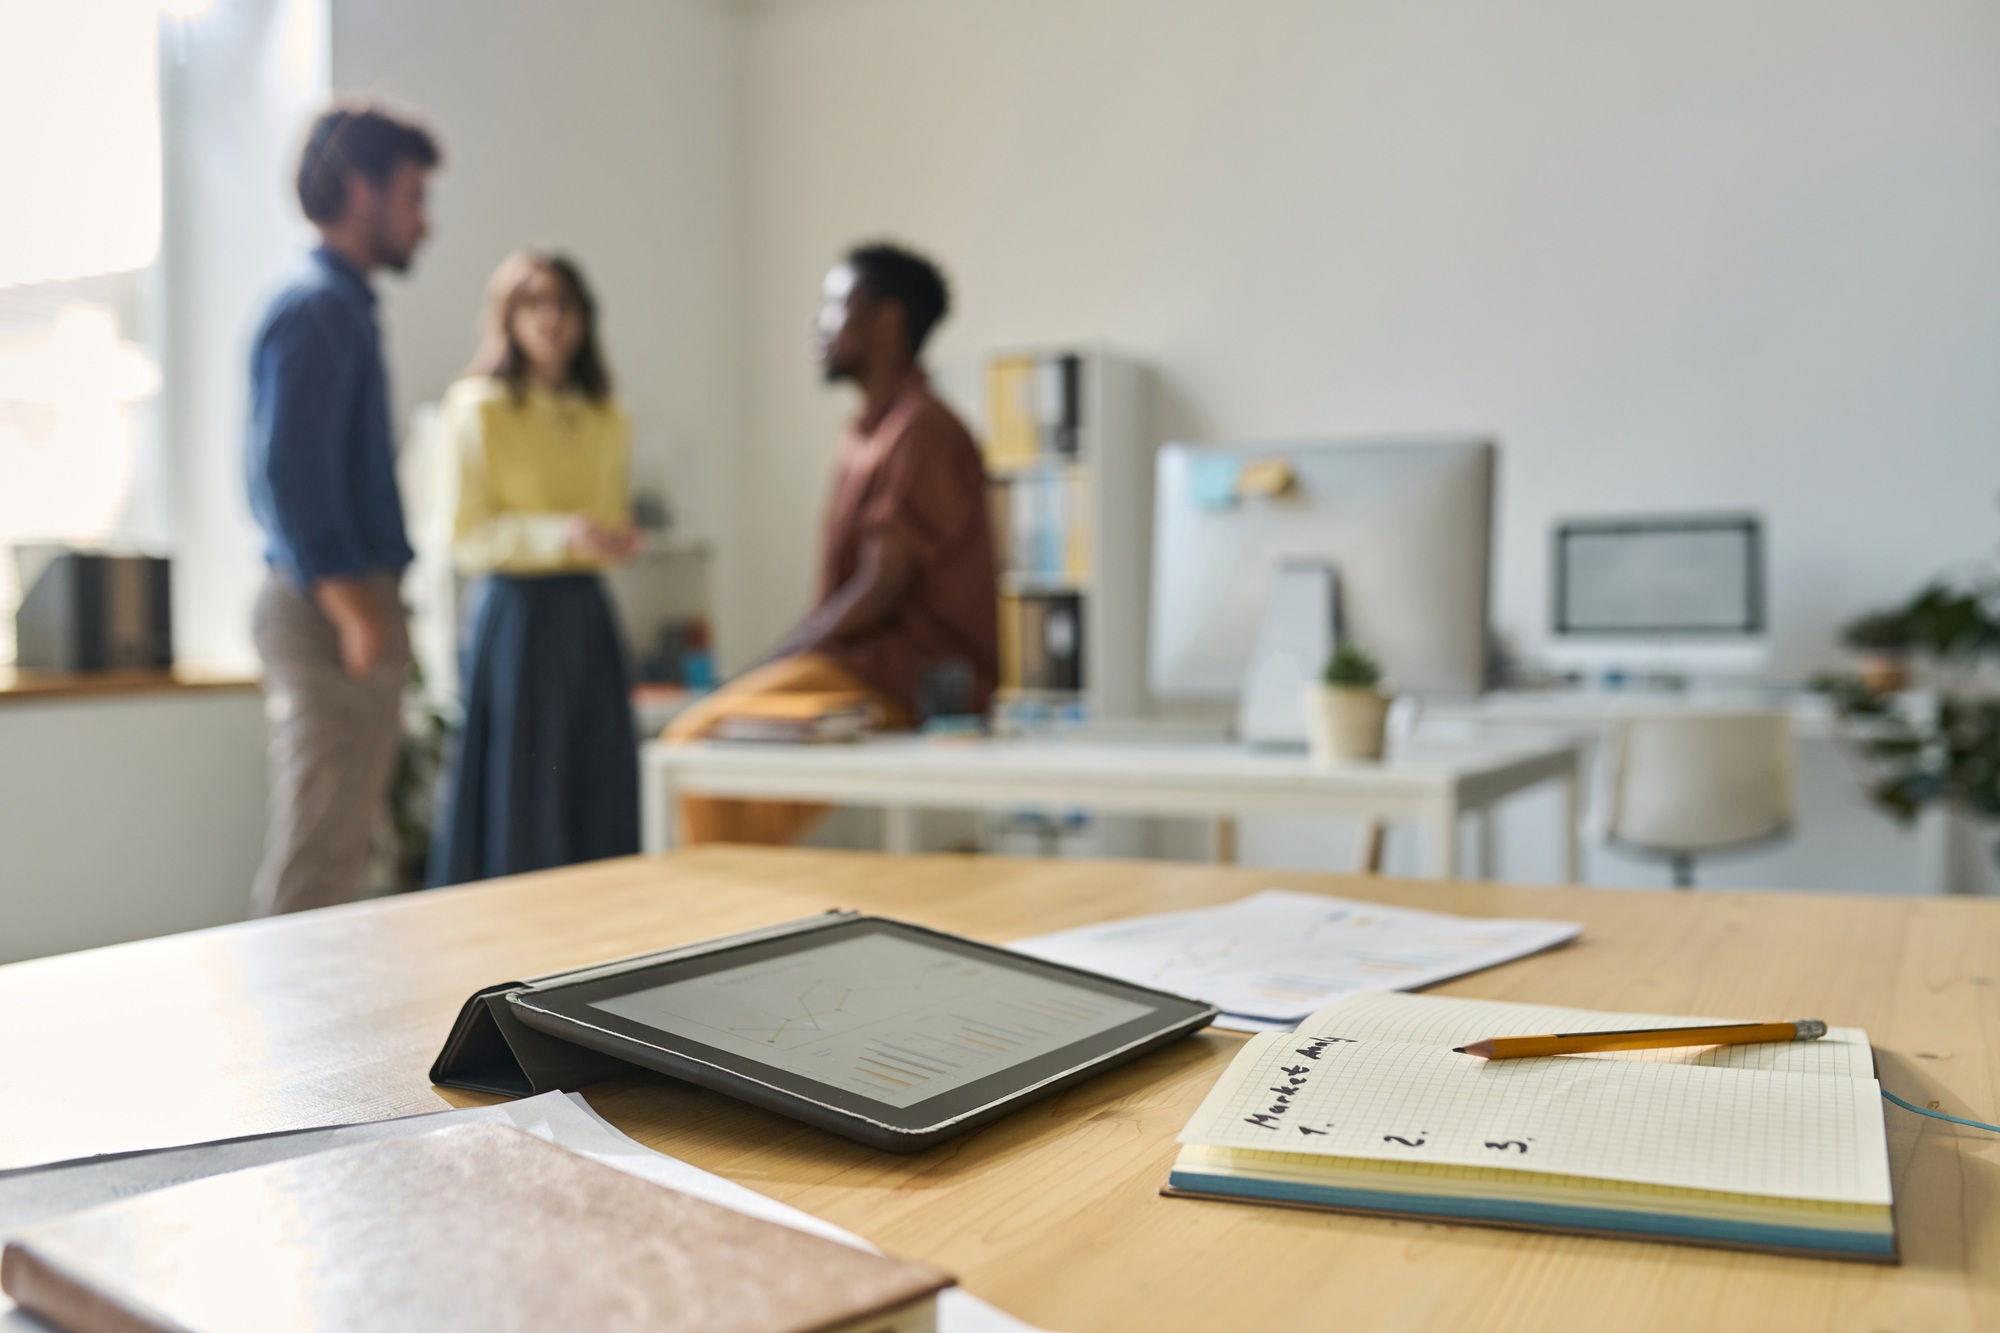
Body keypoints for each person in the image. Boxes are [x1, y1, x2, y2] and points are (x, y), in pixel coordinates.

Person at [666, 243, 997, 844]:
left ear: (887, 322)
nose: (819, 325)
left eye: (836, 306)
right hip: (859, 670)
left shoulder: (921, 431)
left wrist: (772, 662)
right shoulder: (869, 432)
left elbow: (879, 584)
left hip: (900, 678)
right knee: (703, 749)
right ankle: (737, 917)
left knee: (695, 744)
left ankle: (733, 923)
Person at [245, 103, 440, 917]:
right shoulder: (319, 308)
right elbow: (287, 475)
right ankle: (281, 1043)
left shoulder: (342, 306)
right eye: (413, 198)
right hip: (329, 605)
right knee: (319, 853)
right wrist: (356, 608)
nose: (424, 224)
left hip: (342, 599)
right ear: (362, 192)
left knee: (341, 844)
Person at [426, 252, 643, 885]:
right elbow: (466, 536)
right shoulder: (477, 408)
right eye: (534, 303)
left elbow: (606, 514)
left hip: (585, 611)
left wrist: (610, 538)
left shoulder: (609, 414)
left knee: (597, 778)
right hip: (515, 616)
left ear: (584, 318)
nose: (551, 319)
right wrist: (560, 534)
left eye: (564, 304)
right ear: (508, 316)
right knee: (519, 790)